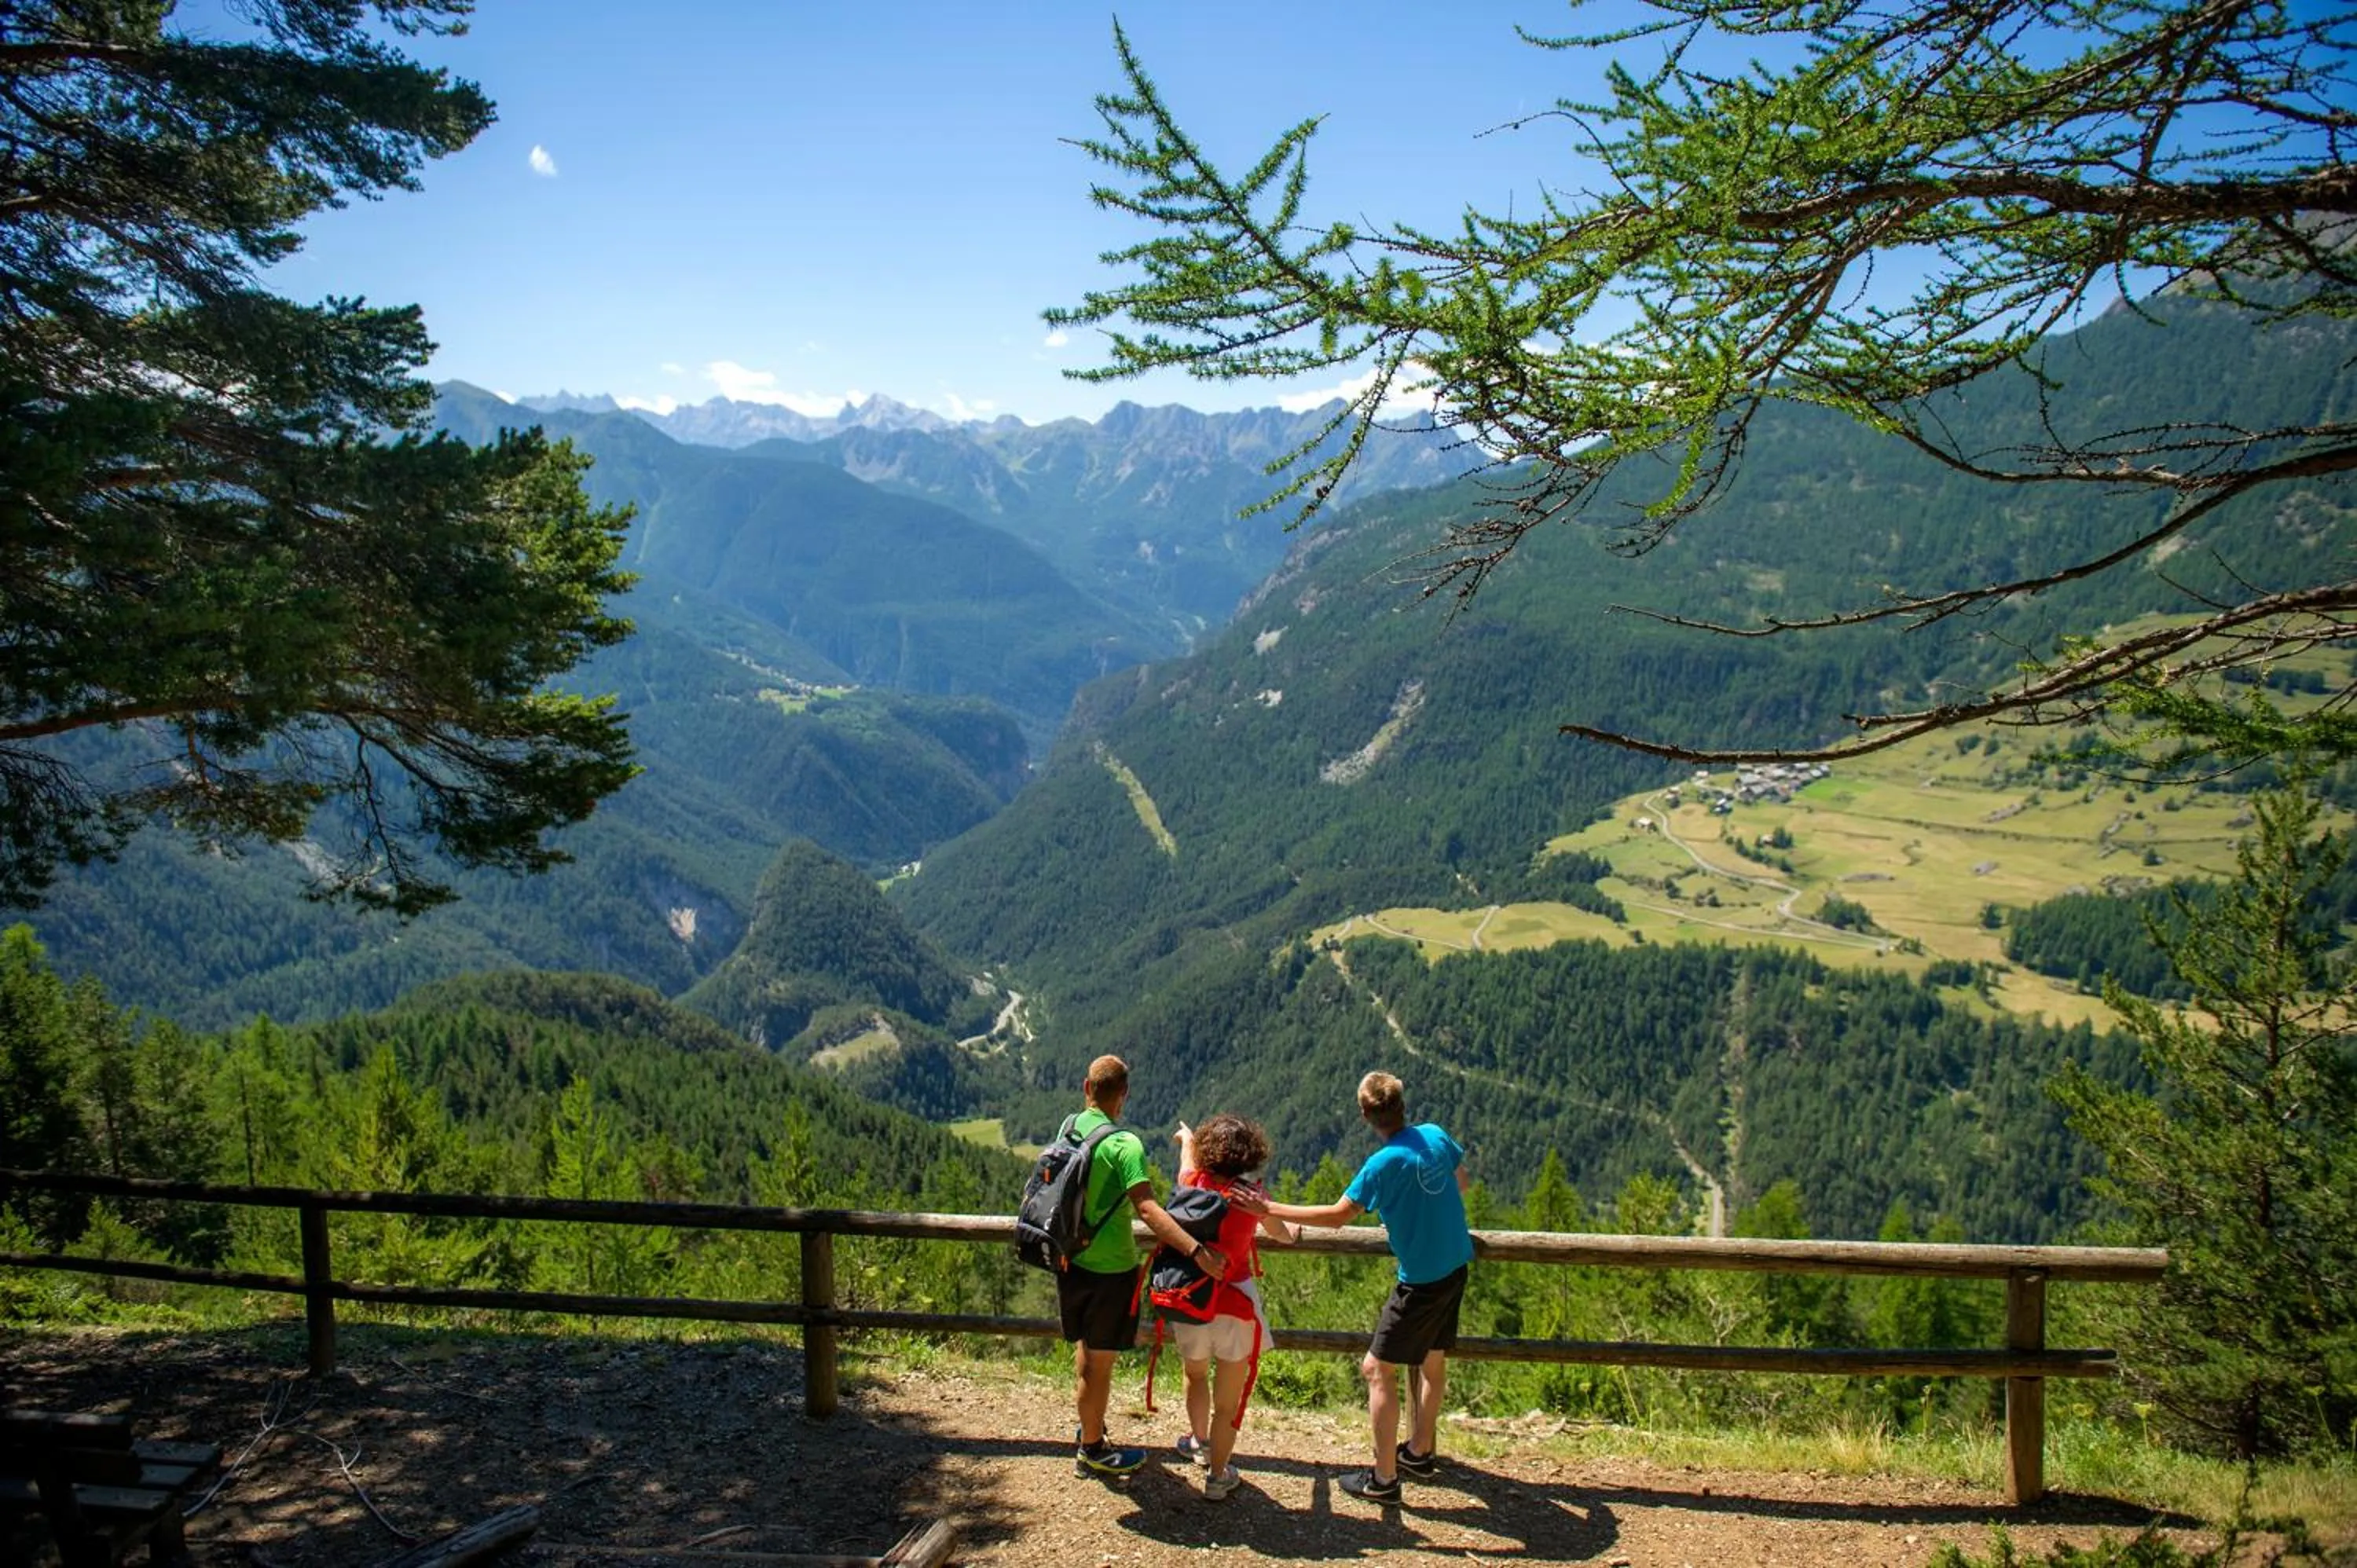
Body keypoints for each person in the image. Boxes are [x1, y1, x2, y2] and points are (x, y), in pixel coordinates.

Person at [1252, 1071, 1472, 1504]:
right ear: (1401, 1105)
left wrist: (1267, 1206)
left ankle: (1385, 1479)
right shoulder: (1435, 1136)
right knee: (1433, 1357)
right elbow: (1461, 1183)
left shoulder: (1381, 1165)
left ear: (1365, 1114)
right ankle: (1420, 1451)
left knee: (1376, 1370)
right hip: (1455, 1264)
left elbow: (1337, 1216)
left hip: (1422, 1279)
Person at [1057, 1054, 1229, 1479]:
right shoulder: (1123, 1145)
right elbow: (1149, 1210)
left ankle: (1089, 1428)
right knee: (1101, 1361)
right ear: (1125, 1095)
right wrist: (1197, 1252)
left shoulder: (1070, 1127)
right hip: (1111, 1268)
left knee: (1087, 1355)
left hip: (1071, 1258)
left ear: (1087, 1089)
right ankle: (1093, 1448)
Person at [1167, 1113, 1299, 1500]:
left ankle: (1199, 1443)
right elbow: (1285, 1236)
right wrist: (1268, 1216)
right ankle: (1218, 1476)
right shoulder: (1253, 1198)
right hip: (1236, 1302)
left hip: (1192, 1296)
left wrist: (1187, 1140)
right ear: (1249, 1154)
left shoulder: (1192, 1184)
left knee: (1194, 1375)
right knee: (1228, 1403)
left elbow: (1186, 1165)